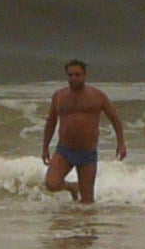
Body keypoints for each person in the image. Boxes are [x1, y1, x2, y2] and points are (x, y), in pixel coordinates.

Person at [41, 59, 126, 205]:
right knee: (52, 184)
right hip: (64, 151)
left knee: (87, 202)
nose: (73, 78)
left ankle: (84, 226)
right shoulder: (59, 96)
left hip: (87, 153)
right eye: (70, 75)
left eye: (77, 75)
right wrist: (45, 148)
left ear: (85, 75)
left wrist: (121, 143)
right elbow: (51, 122)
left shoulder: (97, 96)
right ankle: (72, 187)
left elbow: (115, 119)